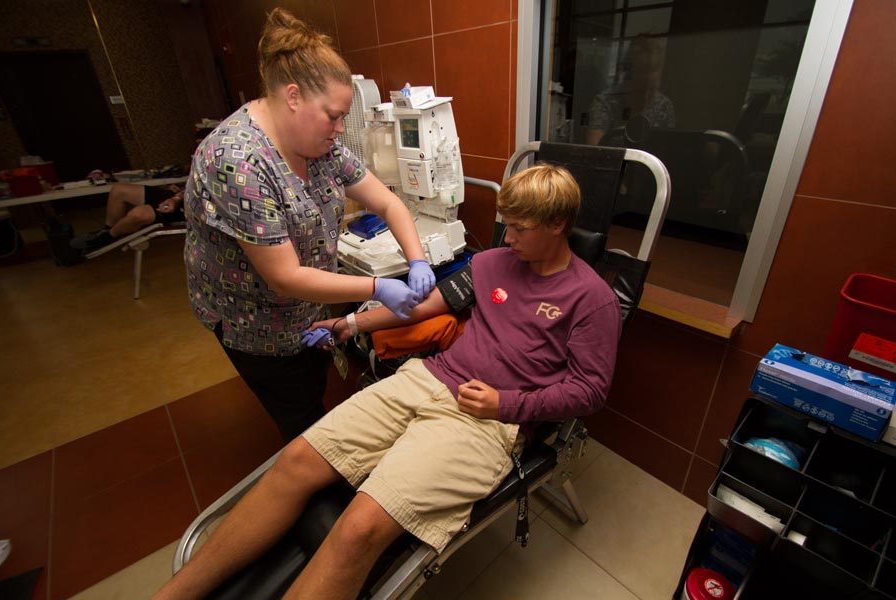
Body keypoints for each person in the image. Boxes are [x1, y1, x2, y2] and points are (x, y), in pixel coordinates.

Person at [154, 164, 622, 600]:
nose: (508, 236)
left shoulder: (591, 300)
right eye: (506, 224)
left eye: (521, 228)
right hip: (427, 379)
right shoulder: (492, 263)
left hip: (488, 422)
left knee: (359, 527)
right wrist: (352, 326)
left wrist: (506, 404)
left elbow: (589, 391)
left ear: (558, 225)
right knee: (296, 459)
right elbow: (425, 307)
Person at [184, 8, 437, 441]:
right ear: (294, 96)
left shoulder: (322, 146)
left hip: (306, 307)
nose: (341, 129)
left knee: (311, 382)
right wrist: (378, 288)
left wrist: (417, 261)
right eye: (333, 116)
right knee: (298, 412)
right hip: (253, 320)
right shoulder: (236, 161)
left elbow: (389, 204)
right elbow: (284, 277)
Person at [586, 35, 675, 146]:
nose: (648, 78)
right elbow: (594, 150)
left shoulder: (664, 106)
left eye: (654, 68)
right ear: (630, 74)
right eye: (643, 70)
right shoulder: (605, 102)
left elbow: (668, 149)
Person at [70, 183, 185, 252]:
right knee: (118, 190)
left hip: (189, 206)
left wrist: (176, 200)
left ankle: (107, 237)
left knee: (138, 214)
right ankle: (107, 230)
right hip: (180, 195)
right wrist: (179, 192)